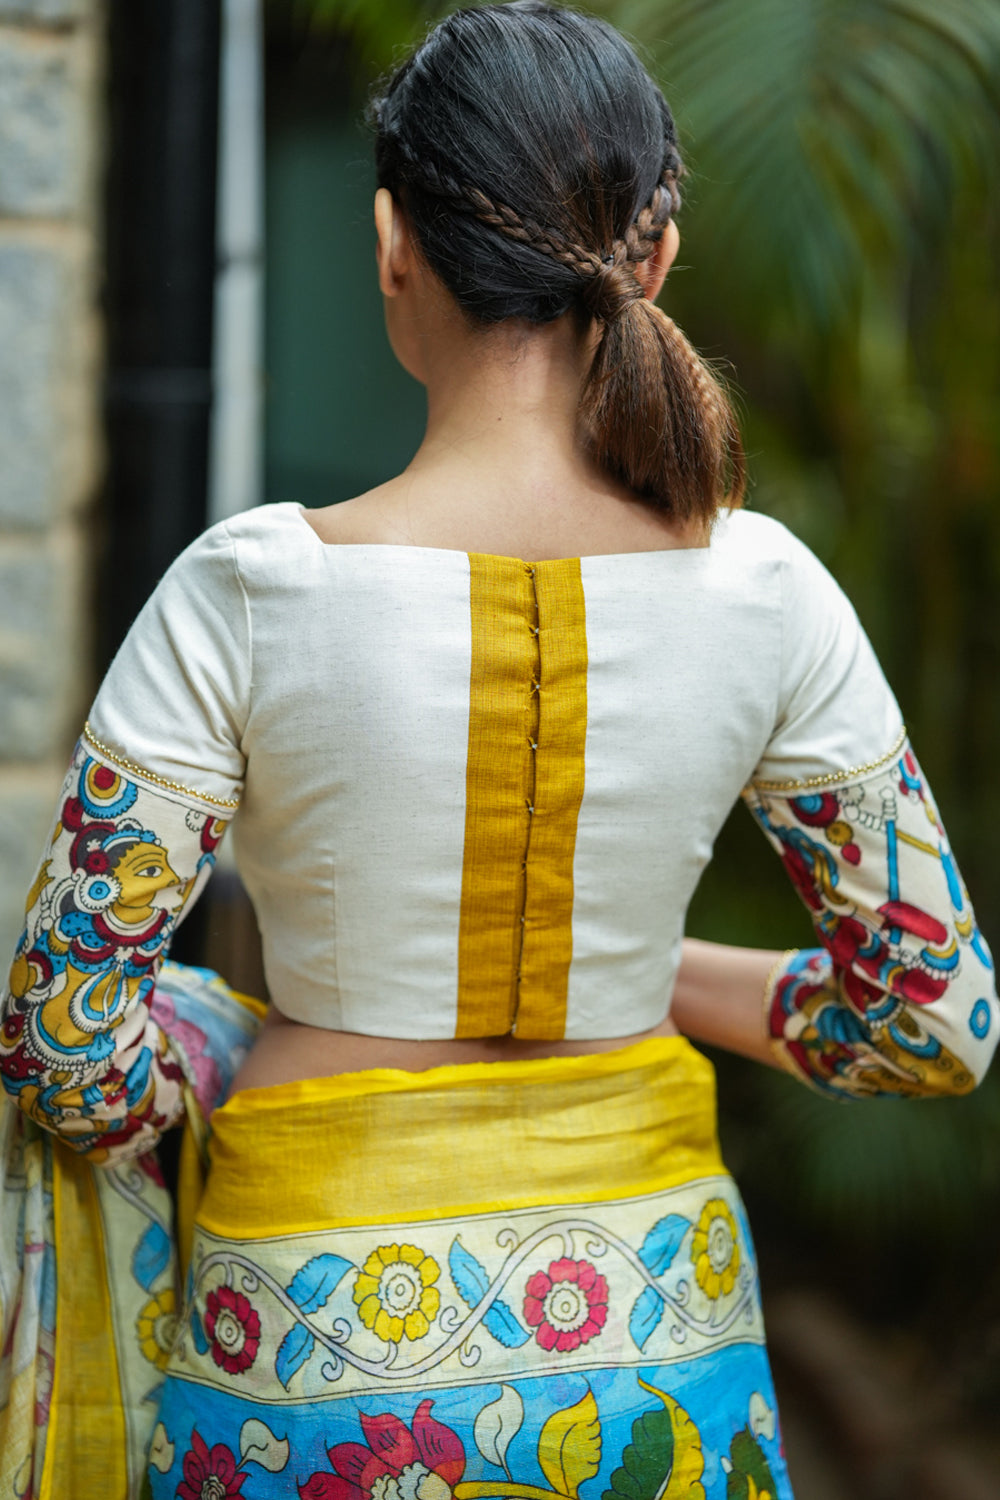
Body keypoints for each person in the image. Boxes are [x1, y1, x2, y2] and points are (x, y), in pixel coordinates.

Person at [1, 4, 996, 1496]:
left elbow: (60, 1043)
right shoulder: (768, 588)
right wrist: (638, 971)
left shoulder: (253, 587)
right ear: (653, 260)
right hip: (654, 1358)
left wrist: (213, 1055)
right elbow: (934, 1021)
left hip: (312, 1349)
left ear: (394, 239)